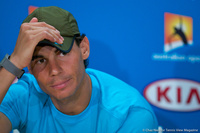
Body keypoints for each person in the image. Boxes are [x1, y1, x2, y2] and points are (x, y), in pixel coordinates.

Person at [0, 6, 158, 133]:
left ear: (84, 48)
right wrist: (13, 62)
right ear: (29, 67)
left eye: (62, 53)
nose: (54, 70)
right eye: (40, 60)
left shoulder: (130, 114)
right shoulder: (24, 95)